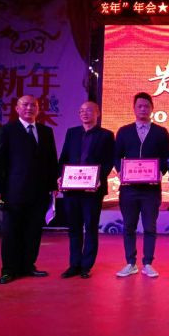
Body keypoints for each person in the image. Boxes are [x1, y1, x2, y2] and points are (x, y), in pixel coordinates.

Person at [0, 95, 58, 284]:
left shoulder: (46, 132)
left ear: (38, 109)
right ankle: (9, 270)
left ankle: (28, 266)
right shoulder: (7, 131)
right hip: (13, 192)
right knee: (11, 232)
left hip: (40, 192)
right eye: (25, 105)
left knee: (33, 231)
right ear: (17, 108)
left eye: (33, 105)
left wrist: (53, 185)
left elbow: (52, 161)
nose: (29, 108)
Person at [114, 92, 169, 278]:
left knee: (149, 227)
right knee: (128, 226)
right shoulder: (124, 131)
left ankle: (148, 263)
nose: (143, 109)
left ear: (152, 108)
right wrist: (120, 171)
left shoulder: (161, 132)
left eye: (146, 106)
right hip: (128, 189)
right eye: (140, 106)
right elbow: (116, 156)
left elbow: (166, 157)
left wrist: (160, 172)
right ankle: (130, 263)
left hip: (151, 190)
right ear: (134, 108)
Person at [58, 101, 115, 279]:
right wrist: (60, 176)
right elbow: (64, 157)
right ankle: (74, 264)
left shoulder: (106, 135)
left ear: (98, 113)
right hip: (72, 189)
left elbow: (109, 161)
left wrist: (99, 178)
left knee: (90, 227)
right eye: (81, 110)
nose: (85, 113)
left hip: (93, 190)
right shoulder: (72, 133)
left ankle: (86, 266)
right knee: (74, 228)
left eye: (89, 110)